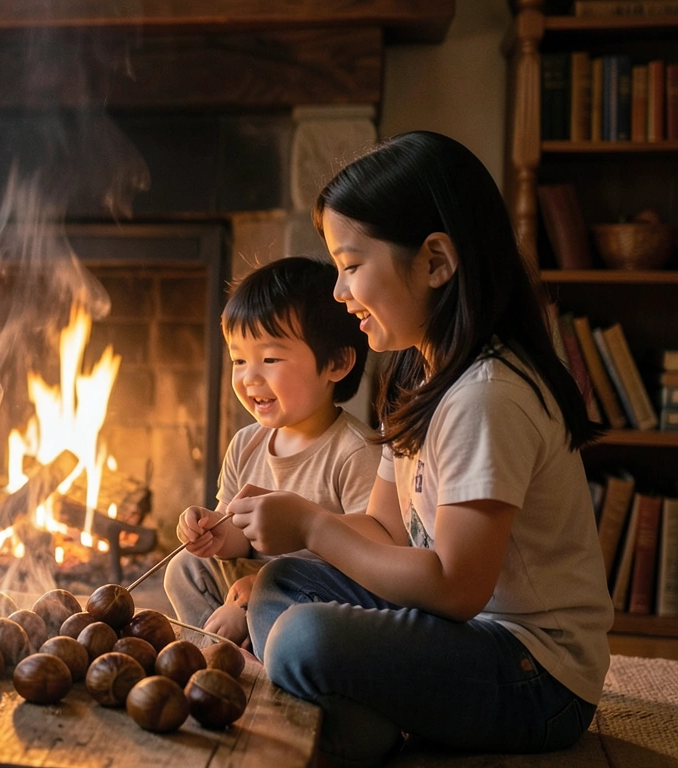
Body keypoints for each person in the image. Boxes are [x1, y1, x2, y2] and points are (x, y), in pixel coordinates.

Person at [231, 131, 611, 767]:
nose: (337, 292)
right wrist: (280, 524)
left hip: (534, 673)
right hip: (461, 634)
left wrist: (316, 526)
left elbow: (457, 587)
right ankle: (366, 726)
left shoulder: (487, 396)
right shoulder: (416, 376)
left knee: (305, 636)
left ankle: (350, 727)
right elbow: (384, 528)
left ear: (436, 261)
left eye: (351, 266)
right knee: (280, 585)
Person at [164, 256, 379, 646]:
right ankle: (212, 653)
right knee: (186, 567)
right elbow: (237, 537)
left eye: (270, 359)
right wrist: (210, 531)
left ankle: (254, 657)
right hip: (248, 585)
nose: (249, 377)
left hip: (309, 593)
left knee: (280, 601)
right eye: (239, 360)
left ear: (336, 362)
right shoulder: (247, 444)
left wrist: (259, 585)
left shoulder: (354, 453)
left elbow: (370, 559)